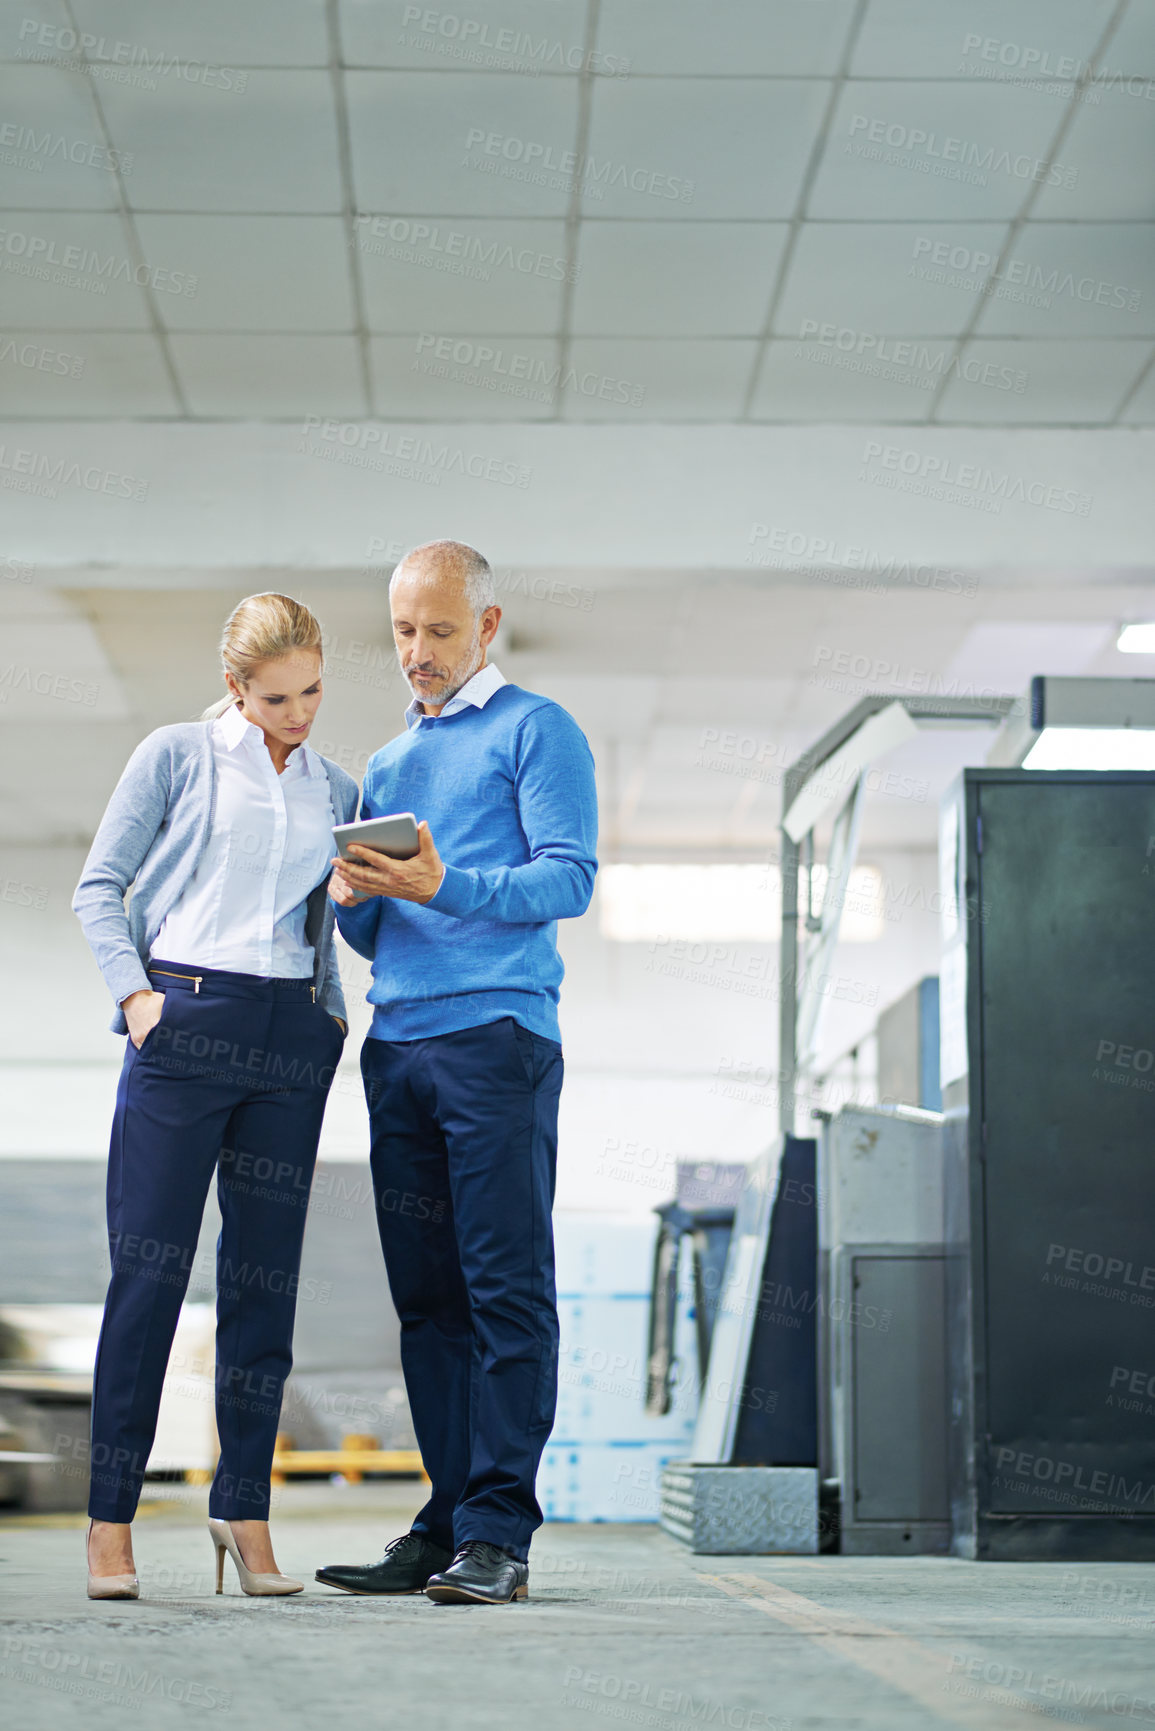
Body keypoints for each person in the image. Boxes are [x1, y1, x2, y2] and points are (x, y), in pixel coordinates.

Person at [314, 540, 598, 1605]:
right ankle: (442, 1525)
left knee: (504, 1290)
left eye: (438, 630)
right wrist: (359, 906)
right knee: (429, 1303)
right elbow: (391, 941)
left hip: (497, 1043)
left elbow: (566, 879)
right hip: (400, 1048)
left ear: (485, 625)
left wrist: (442, 882)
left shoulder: (538, 729)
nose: (417, 652)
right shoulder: (386, 767)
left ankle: (499, 1535)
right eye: (402, 632)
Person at [72, 594, 357, 1600]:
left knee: (263, 1286)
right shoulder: (178, 756)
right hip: (184, 1016)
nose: (300, 713)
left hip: (292, 1030)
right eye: (277, 696)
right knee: (148, 1278)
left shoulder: (338, 786)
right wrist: (137, 997)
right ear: (236, 688)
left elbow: (345, 929)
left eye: (314, 690)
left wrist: (362, 908)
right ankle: (110, 1524)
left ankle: (246, 1512)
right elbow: (98, 886)